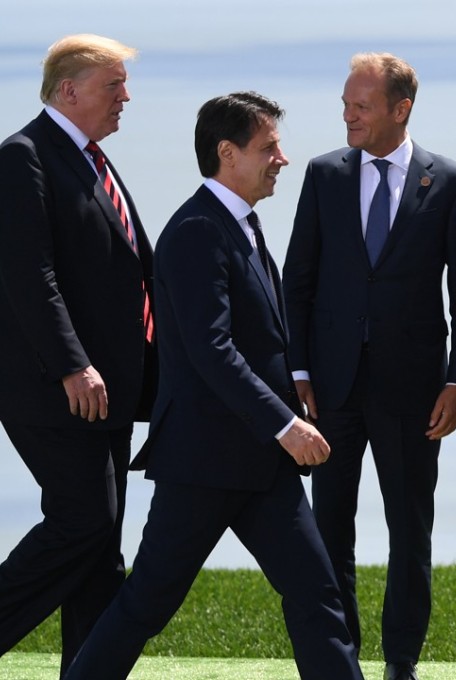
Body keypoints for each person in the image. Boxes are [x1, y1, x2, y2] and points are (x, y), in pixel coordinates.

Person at [62, 92, 363, 680]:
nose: (282, 158)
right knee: (148, 601)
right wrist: (285, 423)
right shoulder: (198, 231)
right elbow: (211, 350)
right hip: (203, 463)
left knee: (316, 595)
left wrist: (292, 394)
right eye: (269, 146)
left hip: (263, 465)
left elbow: (257, 340)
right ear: (228, 153)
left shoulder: (240, 224)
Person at [282, 53, 456, 680]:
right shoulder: (324, 174)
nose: (349, 116)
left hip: (416, 390)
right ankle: (339, 662)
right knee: (329, 531)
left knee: (409, 531)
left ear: (401, 110)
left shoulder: (448, 180)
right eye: (345, 104)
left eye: (361, 106)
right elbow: (299, 280)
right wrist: (298, 373)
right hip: (331, 390)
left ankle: (401, 663)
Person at [0, 34, 156, 675]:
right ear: (69, 90)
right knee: (83, 522)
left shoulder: (91, 158)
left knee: (101, 545)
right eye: (112, 86)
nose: (126, 97)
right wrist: (71, 362)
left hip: (109, 388)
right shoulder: (24, 157)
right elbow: (29, 275)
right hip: (54, 386)